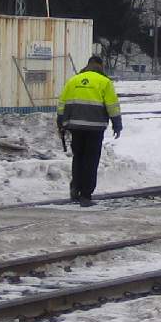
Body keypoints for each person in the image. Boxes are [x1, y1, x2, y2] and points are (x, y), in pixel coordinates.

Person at [56, 54, 122, 207]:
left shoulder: (73, 80)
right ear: (101, 66)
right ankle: (86, 195)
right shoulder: (105, 82)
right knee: (91, 160)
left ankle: (75, 189)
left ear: (88, 65)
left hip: (75, 127)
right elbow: (112, 106)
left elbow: (62, 103)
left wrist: (61, 123)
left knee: (78, 157)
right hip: (95, 128)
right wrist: (117, 124)